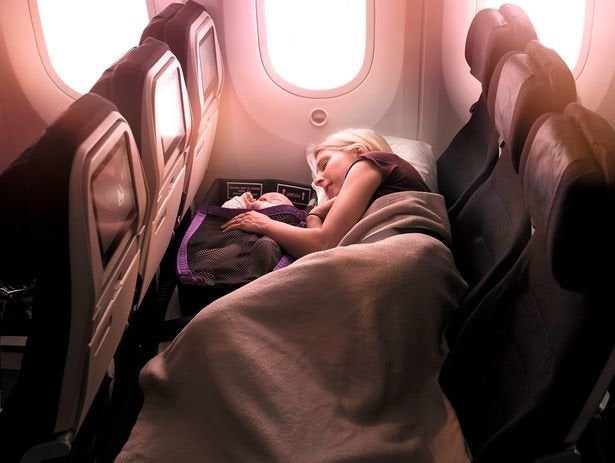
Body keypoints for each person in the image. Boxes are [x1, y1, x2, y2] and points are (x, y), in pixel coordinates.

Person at [221, 128, 430, 258]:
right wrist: (313, 214)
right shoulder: (367, 194)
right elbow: (321, 235)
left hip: (408, 255)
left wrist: (262, 223)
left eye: (325, 163)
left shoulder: (372, 161)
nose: (316, 180)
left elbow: (323, 244)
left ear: (359, 151)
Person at [221, 191, 293, 209]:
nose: (263, 198)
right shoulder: (246, 214)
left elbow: (283, 215)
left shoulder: (293, 220)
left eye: (274, 198)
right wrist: (242, 201)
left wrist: (261, 205)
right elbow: (223, 212)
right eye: (260, 199)